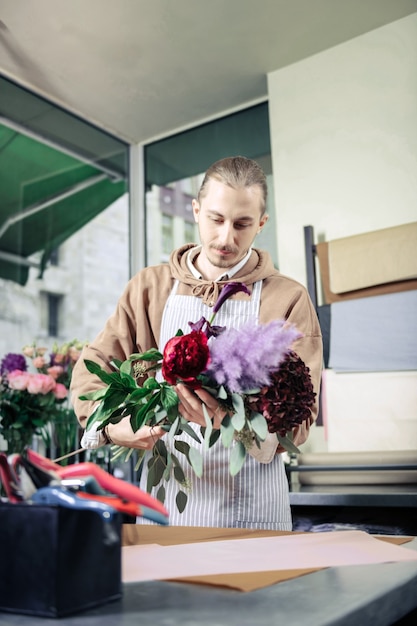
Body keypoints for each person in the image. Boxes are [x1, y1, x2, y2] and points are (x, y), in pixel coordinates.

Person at [71, 156, 323, 530]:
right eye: (216, 219)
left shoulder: (287, 298)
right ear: (195, 210)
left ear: (261, 224)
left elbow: (300, 415)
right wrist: (113, 428)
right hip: (165, 504)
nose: (226, 238)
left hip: (253, 513)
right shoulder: (149, 288)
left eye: (242, 224)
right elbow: (94, 370)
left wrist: (234, 422)